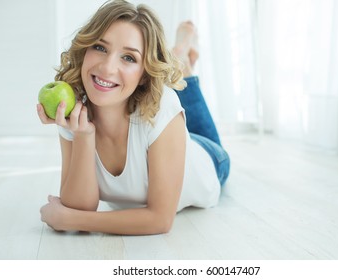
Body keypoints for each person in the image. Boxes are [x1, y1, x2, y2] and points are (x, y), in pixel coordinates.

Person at [37, 0, 230, 235]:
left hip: (209, 159)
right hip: (166, 137)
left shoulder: (162, 106)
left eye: (128, 57)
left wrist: (71, 220)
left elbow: (160, 220)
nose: (107, 68)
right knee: (171, 97)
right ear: (85, 48)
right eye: (100, 47)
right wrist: (83, 135)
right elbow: (80, 206)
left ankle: (180, 59)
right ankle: (178, 62)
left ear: (143, 74)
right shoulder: (73, 111)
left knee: (174, 98)